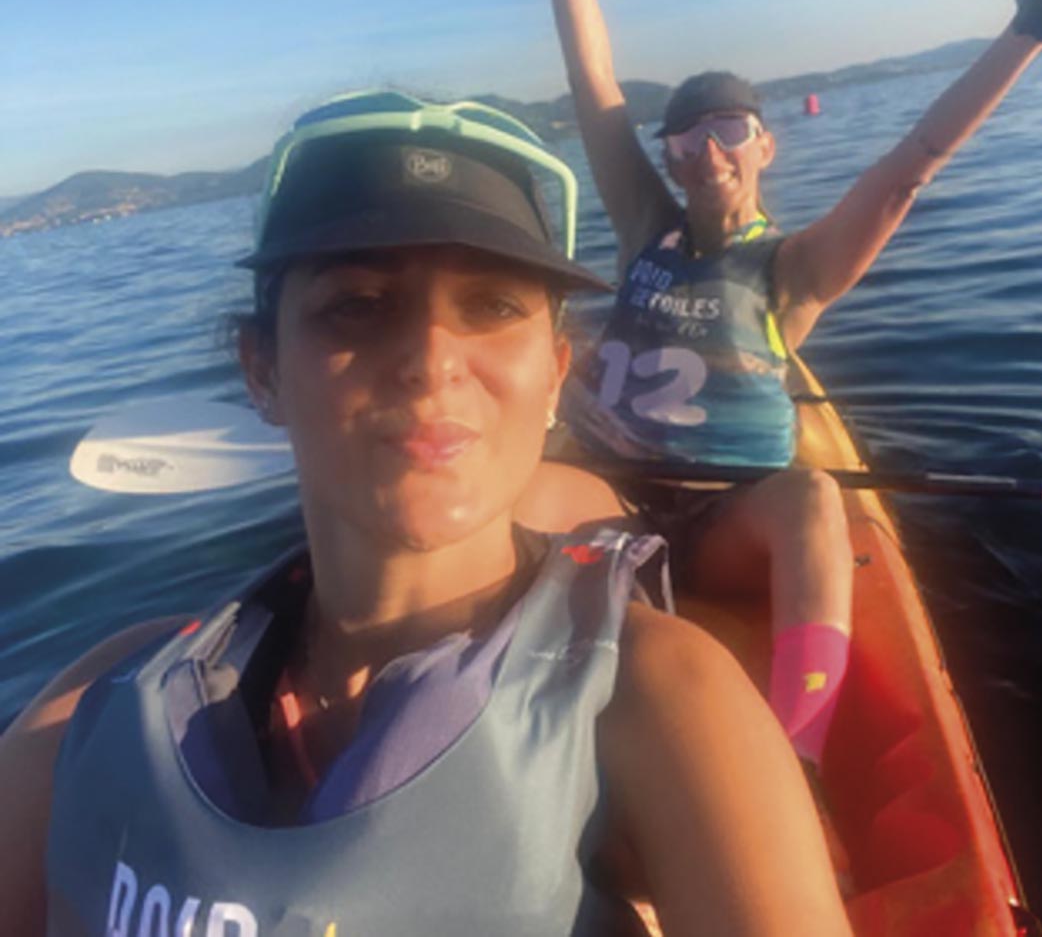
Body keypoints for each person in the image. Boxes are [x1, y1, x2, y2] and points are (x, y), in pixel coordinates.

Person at [0, 92, 852, 936]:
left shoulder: (660, 701)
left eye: (494, 305)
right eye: (357, 304)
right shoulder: (99, 696)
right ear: (262, 371)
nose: (432, 357)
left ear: (556, 374)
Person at [540, 0, 1042, 764]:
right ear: (668, 158)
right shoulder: (642, 227)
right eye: (686, 139)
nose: (708, 152)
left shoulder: (794, 269)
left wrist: (1029, 32)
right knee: (504, 476)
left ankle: (798, 756)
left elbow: (913, 164)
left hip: (717, 523)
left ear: (765, 145)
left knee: (812, 496)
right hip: (604, 496)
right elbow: (591, 75)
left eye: (728, 131)